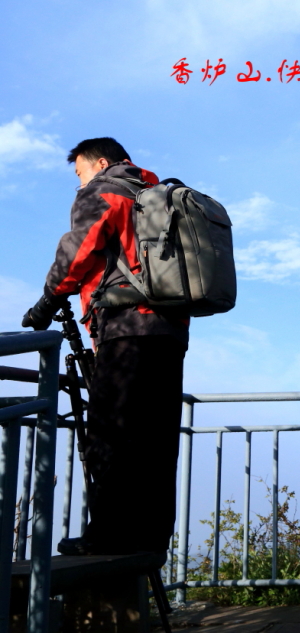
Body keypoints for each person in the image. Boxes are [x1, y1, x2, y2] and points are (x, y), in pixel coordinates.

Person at [22, 137, 188, 560]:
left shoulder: (105, 190)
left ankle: (109, 536)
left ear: (99, 163)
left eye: (79, 172)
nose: (78, 182)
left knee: (111, 432)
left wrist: (47, 300)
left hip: (127, 328)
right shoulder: (154, 194)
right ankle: (150, 538)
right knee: (155, 438)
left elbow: (79, 249)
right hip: (170, 331)